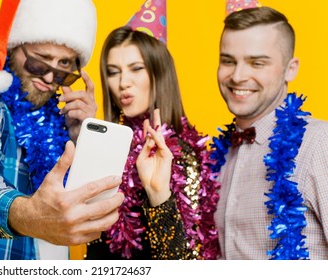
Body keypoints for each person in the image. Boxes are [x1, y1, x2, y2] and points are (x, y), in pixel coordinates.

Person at [0, 0, 124, 260]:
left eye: (64, 68)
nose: (49, 79)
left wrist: (85, 140)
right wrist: (31, 216)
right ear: (14, 47)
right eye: (40, 61)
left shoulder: (62, 124)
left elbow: (92, 213)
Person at [85, 23, 220, 259]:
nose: (123, 82)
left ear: (159, 73)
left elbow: (185, 259)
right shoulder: (107, 147)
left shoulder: (180, 154)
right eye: (113, 71)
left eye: (136, 68)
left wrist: (158, 195)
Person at [211, 5, 328, 259]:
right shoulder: (216, 158)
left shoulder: (320, 144)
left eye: (257, 62)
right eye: (228, 61)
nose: (238, 76)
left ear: (291, 68)